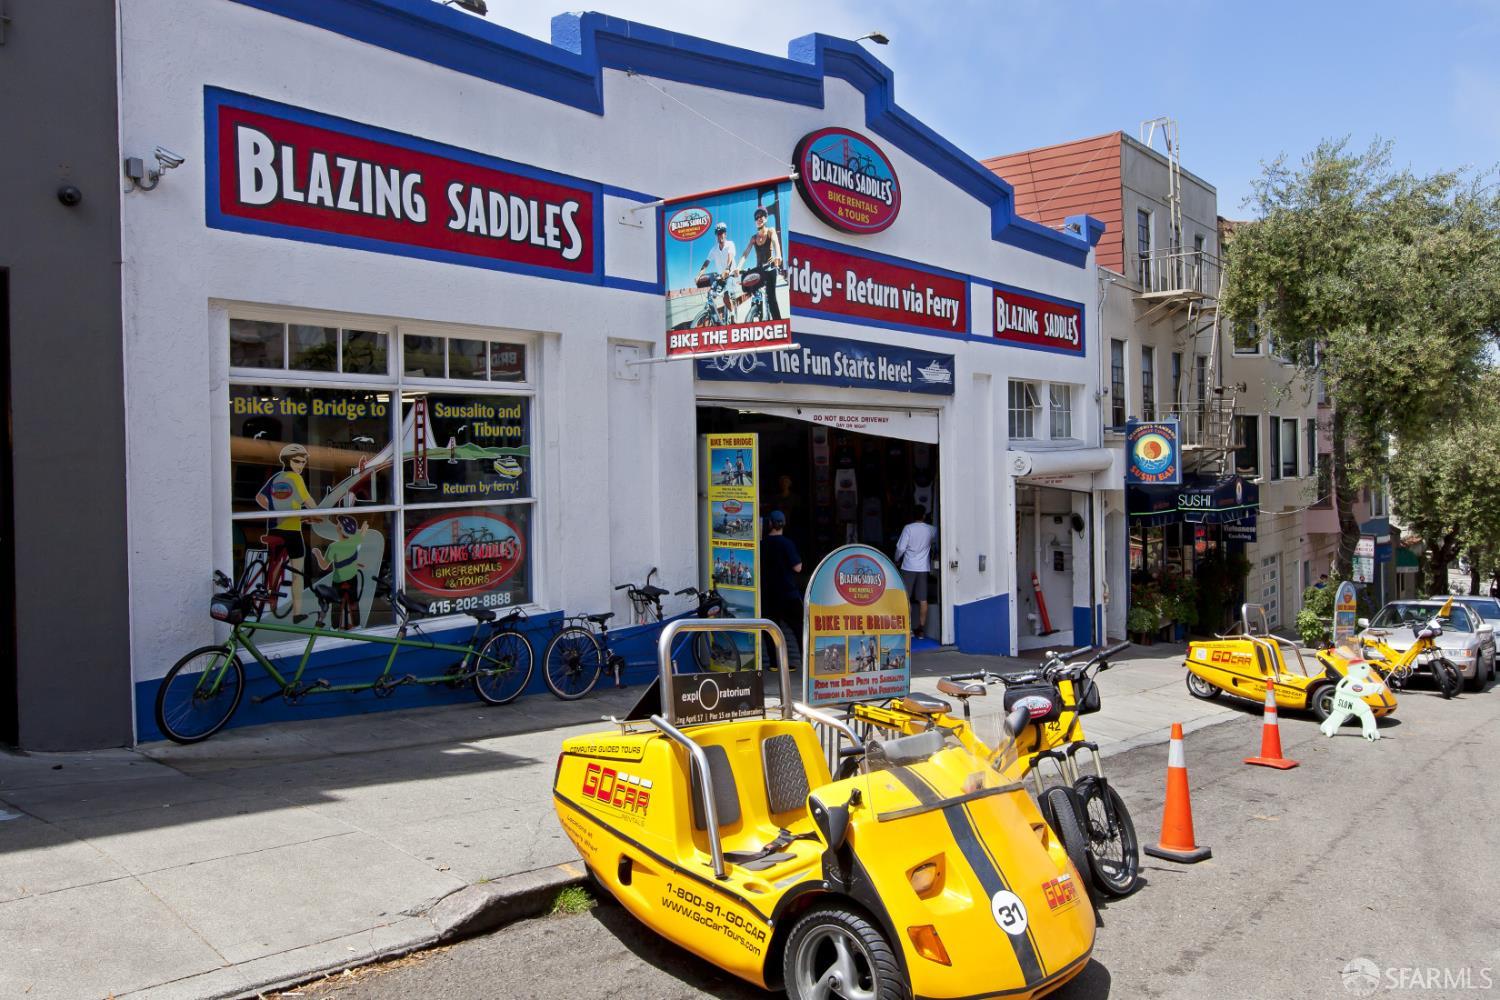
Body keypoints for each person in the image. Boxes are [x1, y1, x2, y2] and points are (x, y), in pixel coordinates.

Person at [256, 443, 318, 621]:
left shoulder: (276, 478)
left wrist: (275, 510)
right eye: (297, 461)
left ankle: (269, 601)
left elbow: (260, 497)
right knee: (298, 573)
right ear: (287, 461)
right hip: (291, 532)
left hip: (274, 529)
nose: (300, 465)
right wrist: (319, 515)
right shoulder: (296, 479)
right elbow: (308, 501)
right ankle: (297, 613)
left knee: (274, 567)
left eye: (303, 462)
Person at [313, 515, 368, 630]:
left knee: (336, 603)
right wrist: (365, 524)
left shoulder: (333, 547)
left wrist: (317, 554)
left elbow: (324, 566)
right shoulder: (354, 541)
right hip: (352, 578)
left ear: (340, 529)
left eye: (338, 524)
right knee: (353, 602)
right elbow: (363, 531)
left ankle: (334, 627)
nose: (337, 526)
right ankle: (357, 626)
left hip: (338, 579)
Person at [761, 510, 803, 648]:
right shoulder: (787, 543)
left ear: (769, 524)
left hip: (768, 595)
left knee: (771, 630)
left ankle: (775, 660)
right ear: (784, 524)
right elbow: (798, 568)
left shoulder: (762, 544)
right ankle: (805, 657)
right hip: (788, 593)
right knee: (799, 628)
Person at [895, 505, 936, 638]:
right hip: (923, 568)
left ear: (912, 516)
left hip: (908, 567)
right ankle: (921, 629)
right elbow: (935, 543)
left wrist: (896, 559)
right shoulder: (931, 529)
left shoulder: (908, 528)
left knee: (906, 599)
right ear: (924, 516)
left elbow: (901, 548)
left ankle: (908, 629)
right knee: (923, 600)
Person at [736, 206, 783, 320]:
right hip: (760, 270)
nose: (759, 218)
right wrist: (738, 267)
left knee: (771, 298)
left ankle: (778, 322)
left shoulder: (770, 231)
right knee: (751, 290)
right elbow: (745, 253)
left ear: (766, 218)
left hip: (770, 268)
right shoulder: (753, 238)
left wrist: (778, 256)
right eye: (756, 217)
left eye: (762, 215)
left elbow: (776, 243)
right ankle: (755, 314)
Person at [697, 222, 737, 323]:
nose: (720, 235)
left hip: (730, 274)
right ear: (716, 235)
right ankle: (713, 317)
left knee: (726, 296)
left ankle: (733, 315)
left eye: (722, 232)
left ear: (725, 234)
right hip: (720, 276)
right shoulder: (714, 249)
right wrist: (699, 275)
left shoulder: (730, 244)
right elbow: (706, 262)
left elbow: (730, 257)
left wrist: (727, 269)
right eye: (718, 233)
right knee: (711, 293)